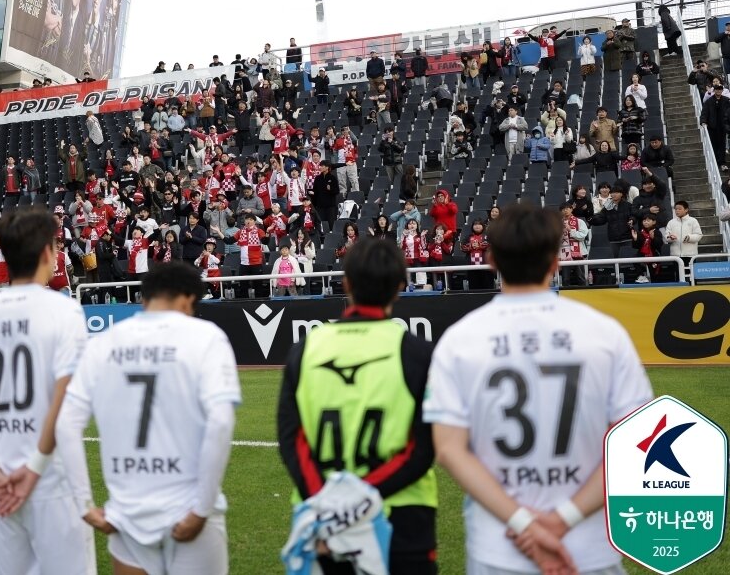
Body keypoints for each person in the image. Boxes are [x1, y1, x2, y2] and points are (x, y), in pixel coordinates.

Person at [424, 203, 654, 574]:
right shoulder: (604, 333)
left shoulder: (459, 339)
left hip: (499, 547)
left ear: (491, 260)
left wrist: (523, 523)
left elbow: (449, 450)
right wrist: (563, 519)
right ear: (555, 261)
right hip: (587, 547)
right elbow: (638, 443)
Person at [34, 262, 241, 575]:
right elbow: (221, 422)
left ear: (144, 297)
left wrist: (85, 505)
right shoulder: (207, 337)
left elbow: (66, 424)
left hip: (127, 515)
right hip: (188, 508)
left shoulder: (103, 343)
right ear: (188, 300)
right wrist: (202, 509)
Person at [278, 237, 438, 573]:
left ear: (346, 283)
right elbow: (422, 448)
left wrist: (328, 504)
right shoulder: (417, 353)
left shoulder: (306, 348)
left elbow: (292, 438)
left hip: (320, 513)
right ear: (400, 287)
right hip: (401, 514)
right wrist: (361, 500)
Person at [0, 206, 96, 574]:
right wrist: (34, 468)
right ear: (48, 253)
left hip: (1, 480)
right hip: (52, 478)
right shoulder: (64, 311)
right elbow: (65, 398)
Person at [700, 84, 730, 170]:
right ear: (714, 90)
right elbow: (704, 113)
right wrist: (703, 122)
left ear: (722, 90)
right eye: (717, 89)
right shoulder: (709, 101)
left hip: (723, 127)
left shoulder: (726, 100)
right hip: (712, 127)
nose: (718, 91)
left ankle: (722, 163)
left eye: (720, 89)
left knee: (722, 145)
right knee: (714, 145)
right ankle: (716, 163)